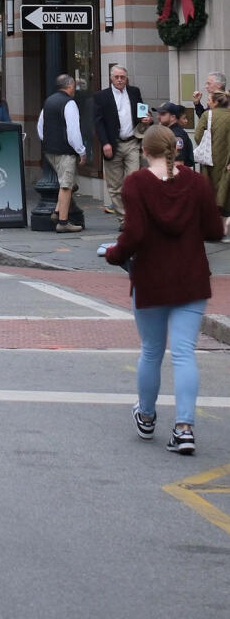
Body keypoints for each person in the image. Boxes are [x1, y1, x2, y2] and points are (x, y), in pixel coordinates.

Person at [105, 122, 225, 455]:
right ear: (177, 148)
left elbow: (135, 234)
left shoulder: (136, 183)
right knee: (185, 353)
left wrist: (114, 255)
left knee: (152, 351)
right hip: (191, 277)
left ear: (144, 151)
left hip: (151, 278)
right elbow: (215, 229)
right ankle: (184, 428)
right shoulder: (197, 183)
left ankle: (146, 415)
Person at [94, 62, 148, 220]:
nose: (119, 80)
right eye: (116, 77)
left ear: (127, 79)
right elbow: (98, 122)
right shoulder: (101, 96)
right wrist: (105, 143)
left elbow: (141, 111)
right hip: (112, 144)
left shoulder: (134, 92)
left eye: (122, 77)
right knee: (115, 186)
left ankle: (134, 216)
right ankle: (124, 219)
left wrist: (146, 120)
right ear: (111, 78)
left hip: (132, 142)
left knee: (134, 182)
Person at [35, 73, 86, 232]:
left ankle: (57, 212)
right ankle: (63, 223)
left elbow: (40, 127)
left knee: (65, 180)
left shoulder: (49, 101)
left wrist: (49, 141)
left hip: (50, 151)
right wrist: (81, 151)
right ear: (70, 86)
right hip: (65, 151)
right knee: (66, 186)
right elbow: (73, 132)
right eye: (74, 86)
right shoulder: (69, 103)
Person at [192, 75, 230, 211]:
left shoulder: (209, 114)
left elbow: (198, 136)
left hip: (210, 157)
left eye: (208, 83)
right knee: (224, 187)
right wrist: (197, 104)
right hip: (225, 158)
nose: (205, 87)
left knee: (211, 187)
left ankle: (214, 217)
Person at [158, 101, 196, 168]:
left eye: (163, 114)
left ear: (172, 117)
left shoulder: (176, 135)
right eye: (159, 114)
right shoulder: (168, 132)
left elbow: (178, 163)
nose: (159, 116)